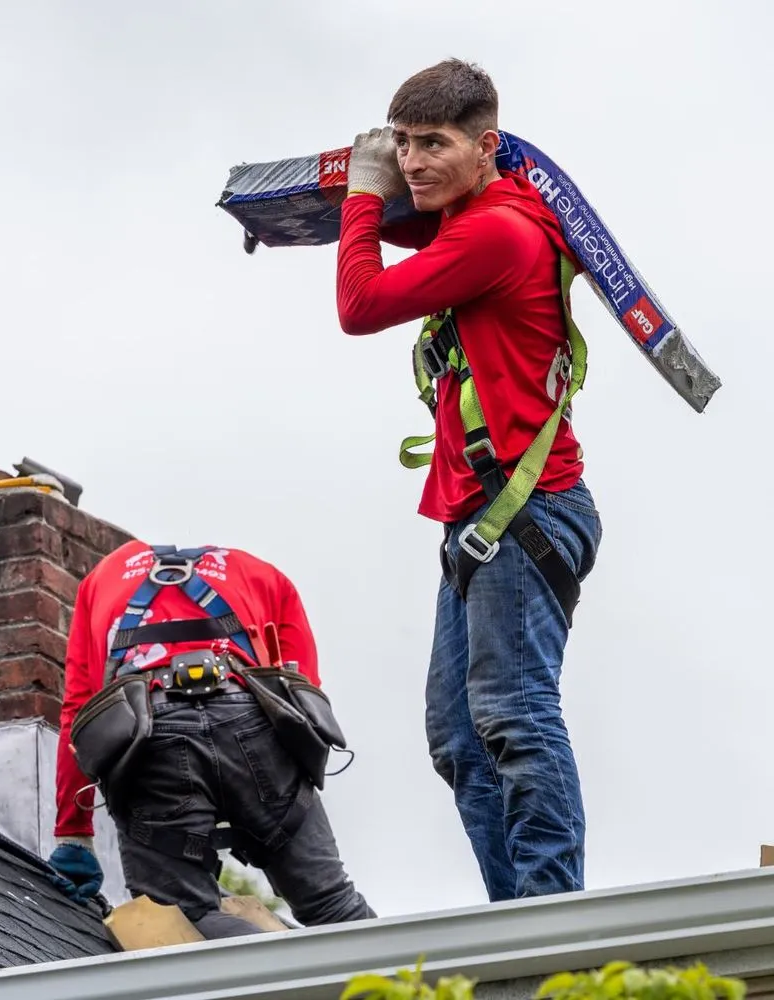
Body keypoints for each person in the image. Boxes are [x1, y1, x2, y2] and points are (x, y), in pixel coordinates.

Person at [335, 58, 603, 901]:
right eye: (403, 145)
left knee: (514, 714)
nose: (412, 162)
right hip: (483, 517)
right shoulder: (477, 217)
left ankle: (548, 917)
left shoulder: (496, 233)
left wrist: (360, 196)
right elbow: (421, 238)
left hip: (523, 512)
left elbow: (360, 305)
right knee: (458, 736)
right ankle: (515, 914)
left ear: (487, 146)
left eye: (434, 145)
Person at [46, 539, 375, 938]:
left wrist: (74, 834)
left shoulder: (102, 578)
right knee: (331, 904)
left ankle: (268, 963)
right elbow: (302, 691)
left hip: (151, 733)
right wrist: (285, 794)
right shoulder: (259, 573)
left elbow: (79, 709)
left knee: (183, 920)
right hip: (250, 718)